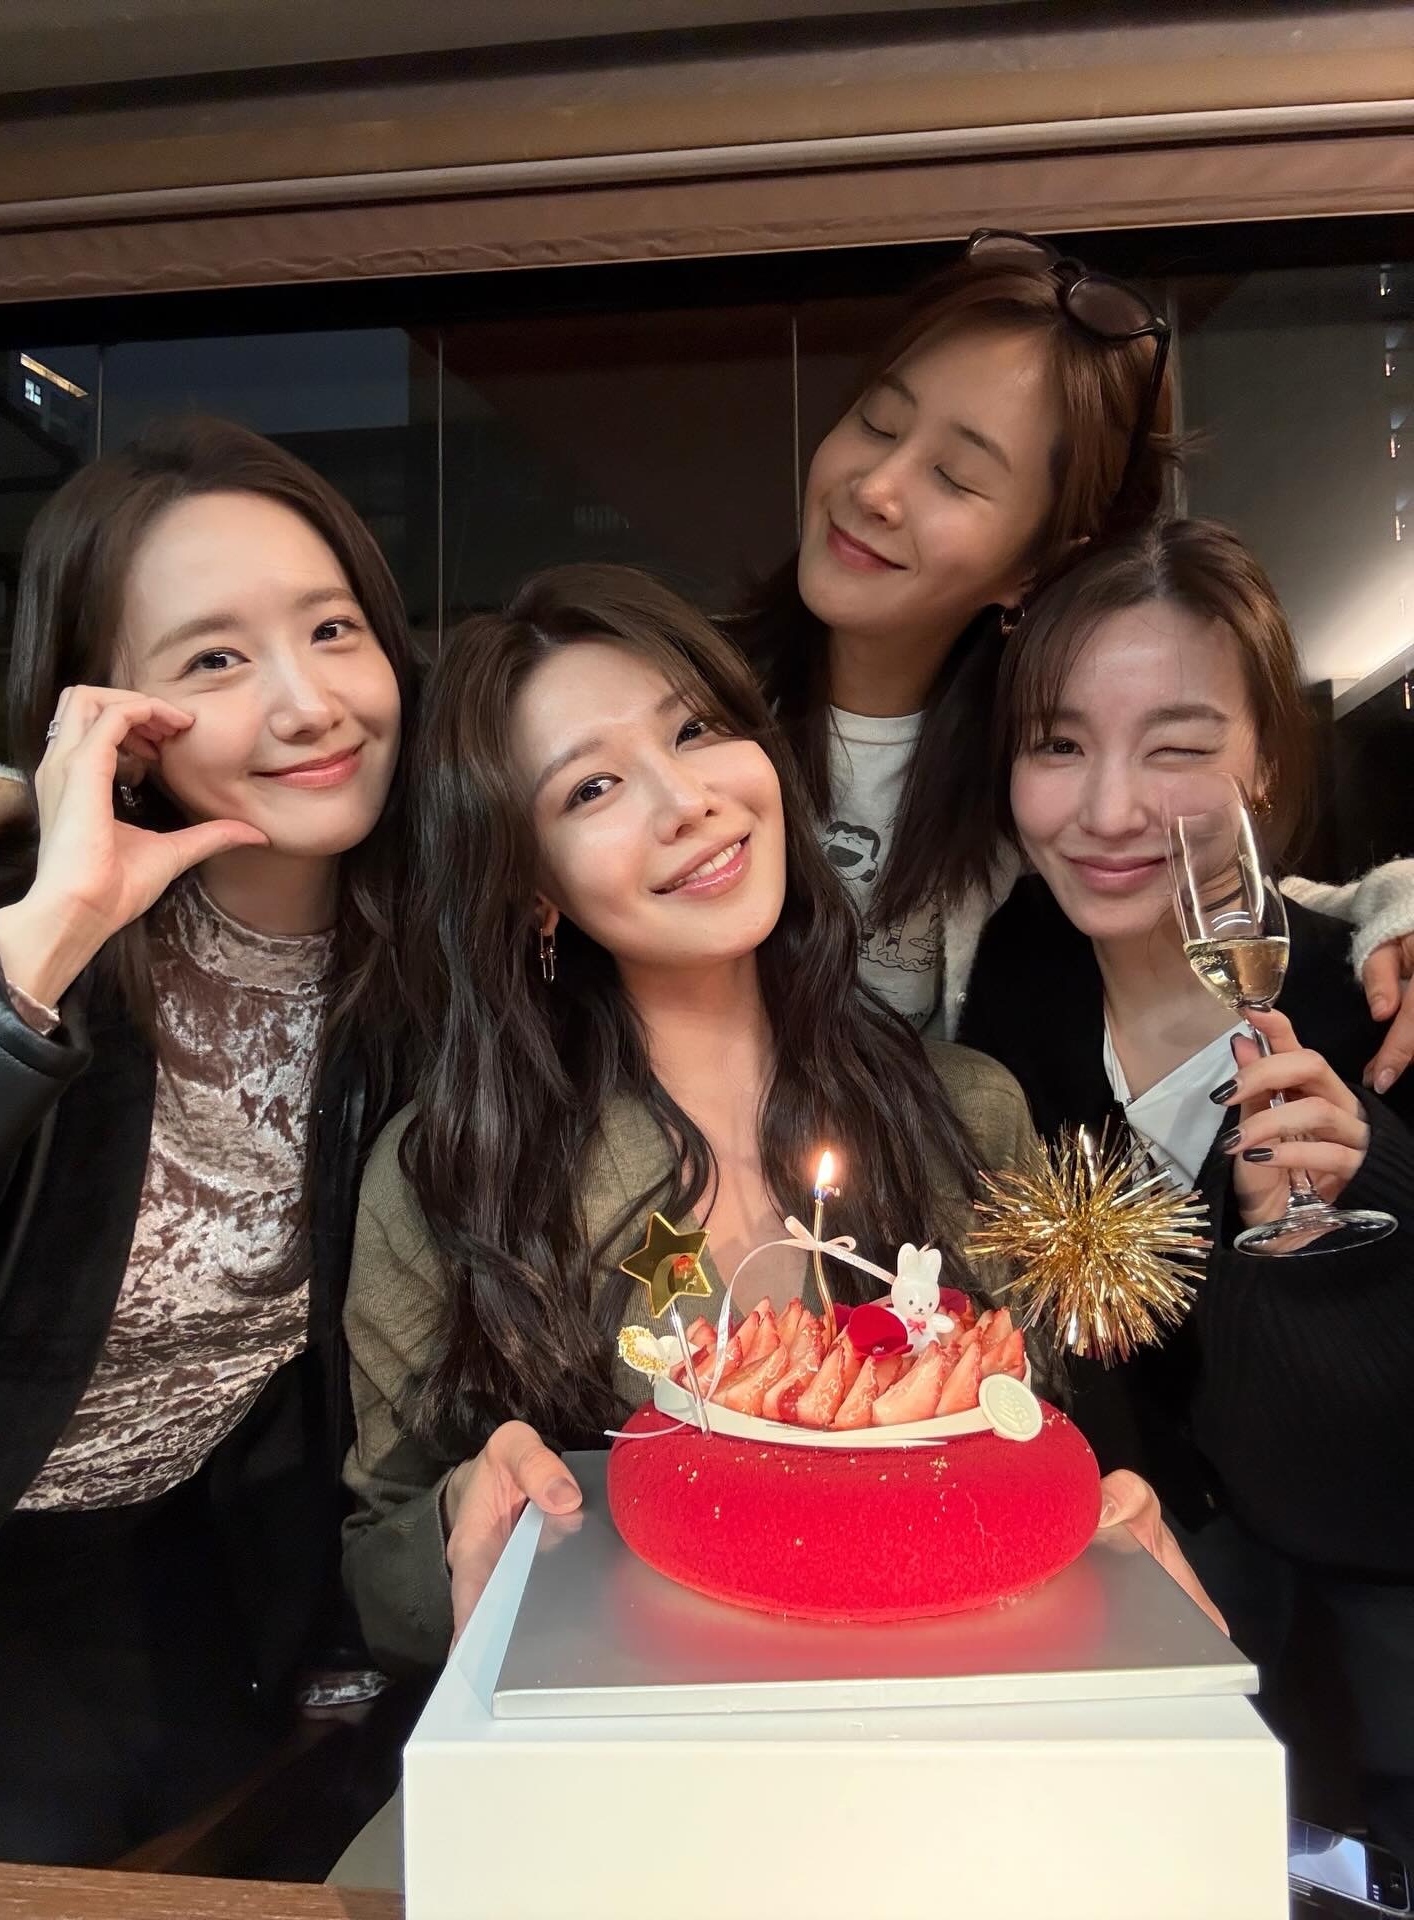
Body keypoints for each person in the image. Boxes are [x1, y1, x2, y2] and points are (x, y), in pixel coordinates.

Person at [338, 562, 1218, 1679]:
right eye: (592, 789)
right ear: (531, 886)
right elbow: (379, 1566)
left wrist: (1107, 1528)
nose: (685, 801)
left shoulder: (964, 1113)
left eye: (696, 730)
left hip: (942, 1720)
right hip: (646, 1728)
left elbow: (1038, 1444)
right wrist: (467, 1509)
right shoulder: (456, 1173)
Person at [0, 418, 417, 1864]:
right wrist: (41, 948)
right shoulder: (14, 929)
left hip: (181, 1576)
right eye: (214, 660)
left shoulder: (432, 961)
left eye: (332, 630)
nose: (308, 704)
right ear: (104, 720)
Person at [959, 518, 1414, 1859]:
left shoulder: (1380, 1007)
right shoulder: (1017, 984)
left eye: (1175, 747)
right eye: (1058, 744)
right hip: (1139, 1675)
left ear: (1265, 758)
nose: (1107, 812)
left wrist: (1342, 1227)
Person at [735, 231, 1414, 1085]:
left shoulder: (1039, 758)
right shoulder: (689, 704)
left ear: (1039, 562)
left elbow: (1212, 889)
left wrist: (1396, 905)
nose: (876, 488)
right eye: (878, 423)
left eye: (955, 477)